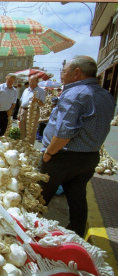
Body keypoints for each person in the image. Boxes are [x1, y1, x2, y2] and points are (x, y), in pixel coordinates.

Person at [39, 55, 114, 238]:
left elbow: (65, 133)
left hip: (63, 158)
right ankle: (77, 236)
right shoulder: (106, 95)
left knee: (38, 199)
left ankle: (27, 234)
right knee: (78, 199)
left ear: (77, 73)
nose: (62, 75)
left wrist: (48, 154)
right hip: (89, 158)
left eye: (64, 71)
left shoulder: (75, 94)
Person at [18, 75, 45, 145]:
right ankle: (22, 146)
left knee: (31, 130)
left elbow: (42, 104)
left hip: (33, 111)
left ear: (37, 82)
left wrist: (37, 100)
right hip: (23, 110)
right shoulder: (26, 90)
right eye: (30, 81)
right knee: (22, 130)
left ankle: (29, 147)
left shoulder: (41, 91)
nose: (31, 83)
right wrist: (19, 113)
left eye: (33, 82)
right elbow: (22, 102)